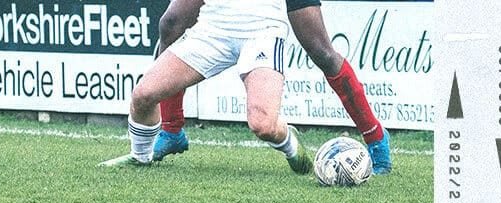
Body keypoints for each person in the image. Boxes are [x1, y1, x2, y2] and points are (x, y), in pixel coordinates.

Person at [133, 0, 395, 174]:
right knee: (171, 23)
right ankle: (171, 131)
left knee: (321, 51)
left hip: (263, 21)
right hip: (220, 19)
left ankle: (375, 137)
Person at [101, 0, 313, 173]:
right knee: (143, 96)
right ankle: (140, 156)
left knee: (263, 125)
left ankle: (289, 142)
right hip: (212, 29)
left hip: (262, 30)